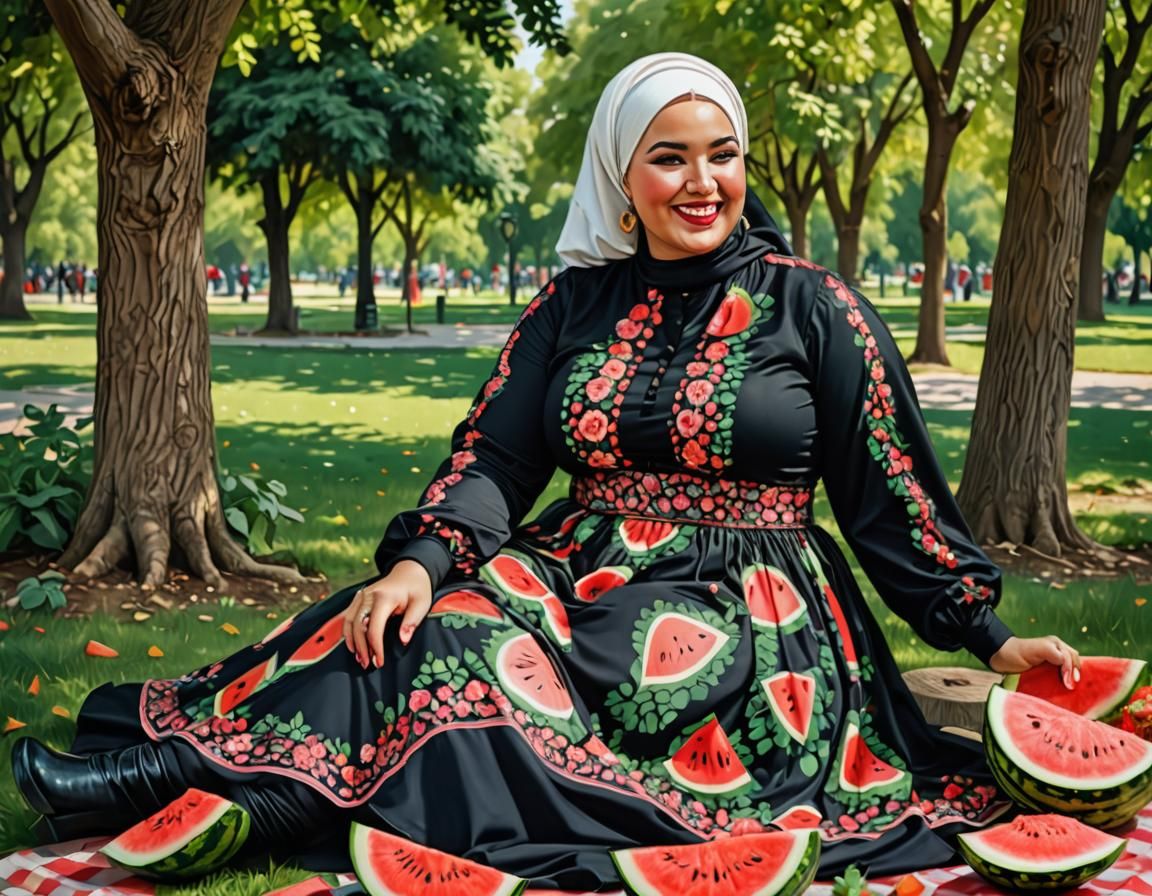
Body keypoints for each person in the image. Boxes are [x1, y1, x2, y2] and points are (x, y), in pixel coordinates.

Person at [11, 53, 1082, 889]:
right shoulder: (574, 304)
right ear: (623, 172)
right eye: (669, 156)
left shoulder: (819, 307)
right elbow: (496, 456)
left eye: (722, 152)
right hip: (580, 569)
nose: (701, 180)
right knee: (394, 618)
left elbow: (888, 499)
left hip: (746, 618)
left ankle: (165, 793)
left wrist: (988, 632)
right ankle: (169, 783)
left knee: (470, 655)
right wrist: (424, 562)